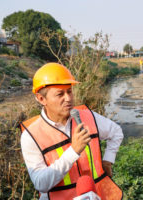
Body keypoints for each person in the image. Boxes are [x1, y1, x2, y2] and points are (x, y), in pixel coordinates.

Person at [20, 63, 123, 200]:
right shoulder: (31, 136)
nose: (68, 98)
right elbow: (41, 183)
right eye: (60, 94)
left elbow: (116, 132)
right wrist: (73, 151)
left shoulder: (88, 117)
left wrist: (108, 161)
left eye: (69, 91)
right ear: (41, 99)